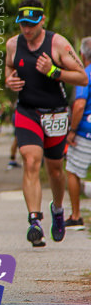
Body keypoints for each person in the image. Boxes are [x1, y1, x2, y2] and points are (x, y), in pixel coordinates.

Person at [4, 0, 87, 246]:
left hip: (55, 114)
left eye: (31, 24)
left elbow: (82, 77)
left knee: (55, 169)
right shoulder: (12, 44)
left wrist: (53, 71)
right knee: (30, 161)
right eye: (22, 25)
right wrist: (10, 80)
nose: (26, 30)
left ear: (42, 21)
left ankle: (58, 210)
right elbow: (9, 67)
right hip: (27, 111)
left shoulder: (58, 44)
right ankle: (34, 221)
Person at [64, 37, 91, 230]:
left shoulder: (83, 75)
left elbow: (80, 104)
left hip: (85, 131)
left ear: (81, 55)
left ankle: (76, 215)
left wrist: (72, 131)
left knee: (73, 170)